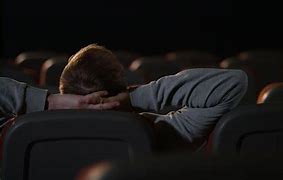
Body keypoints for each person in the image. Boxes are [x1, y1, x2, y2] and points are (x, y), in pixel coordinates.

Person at [0, 44, 248, 151]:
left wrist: (46, 103)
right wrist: (134, 98)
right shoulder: (161, 133)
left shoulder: (16, 135)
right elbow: (234, 82)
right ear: (122, 87)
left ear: (64, 93)